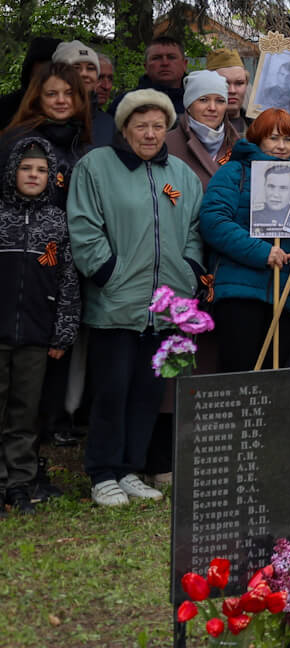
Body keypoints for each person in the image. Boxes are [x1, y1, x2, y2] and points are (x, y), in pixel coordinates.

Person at [67, 89, 205, 506]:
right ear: (124, 128)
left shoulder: (180, 174)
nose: (150, 134)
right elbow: (84, 226)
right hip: (116, 303)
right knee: (111, 390)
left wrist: (190, 271)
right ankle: (103, 473)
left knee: (149, 392)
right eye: (141, 125)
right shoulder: (96, 167)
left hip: (167, 304)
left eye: (158, 126)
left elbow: (194, 230)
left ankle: (130, 468)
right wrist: (108, 273)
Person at [198, 110, 290, 375]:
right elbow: (214, 222)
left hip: (288, 294)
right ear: (258, 139)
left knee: (275, 379)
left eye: (288, 139)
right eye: (273, 138)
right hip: (240, 293)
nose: (281, 146)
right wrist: (262, 252)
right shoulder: (235, 172)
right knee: (238, 374)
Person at [0, 136, 79, 513]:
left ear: (51, 177)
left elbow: (68, 280)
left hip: (36, 335)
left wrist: (63, 332)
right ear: (11, 172)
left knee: (25, 412)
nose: (33, 175)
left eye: (42, 170)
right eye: (26, 168)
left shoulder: (57, 222)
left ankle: (20, 482)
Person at [0, 61, 95, 176]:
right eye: (52, 94)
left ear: (80, 97)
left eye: (69, 93)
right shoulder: (17, 140)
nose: (61, 100)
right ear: (37, 98)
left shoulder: (81, 141)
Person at [163, 70, 239, 186]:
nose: (212, 107)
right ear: (188, 105)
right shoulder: (167, 145)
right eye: (203, 100)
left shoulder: (238, 145)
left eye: (220, 101)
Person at [112, 36, 187, 116]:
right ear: (146, 67)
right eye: (156, 58)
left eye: (171, 57)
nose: (165, 63)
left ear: (184, 64)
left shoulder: (194, 101)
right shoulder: (125, 103)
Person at [251, 53, 290, 118]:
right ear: (277, 75)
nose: (284, 79)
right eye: (282, 74)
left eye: (289, 76)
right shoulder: (265, 92)